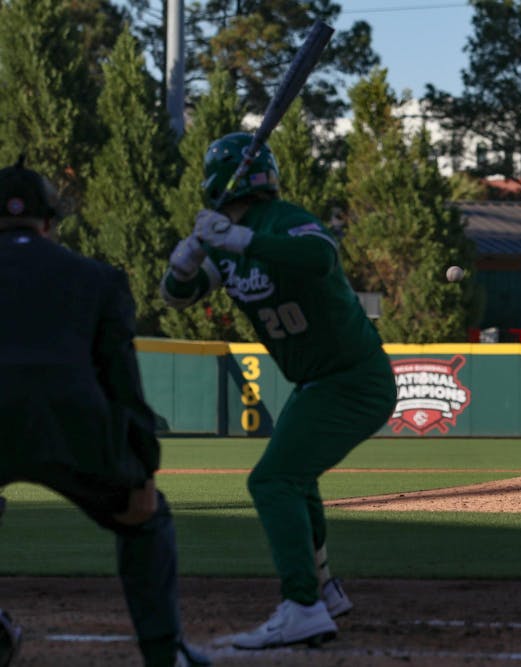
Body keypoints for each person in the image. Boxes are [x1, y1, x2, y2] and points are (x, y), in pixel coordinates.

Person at [159, 133, 397, 650]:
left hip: (352, 378)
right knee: (295, 478)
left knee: (273, 481)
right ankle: (323, 590)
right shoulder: (227, 241)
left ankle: (301, 606)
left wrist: (241, 240)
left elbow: (320, 257)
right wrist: (183, 264)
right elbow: (177, 297)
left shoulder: (282, 220)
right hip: (318, 383)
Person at [0, 157, 208, 666]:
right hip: (73, 424)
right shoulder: (97, 278)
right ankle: (165, 654)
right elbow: (121, 382)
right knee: (145, 518)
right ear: (49, 223)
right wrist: (143, 467)